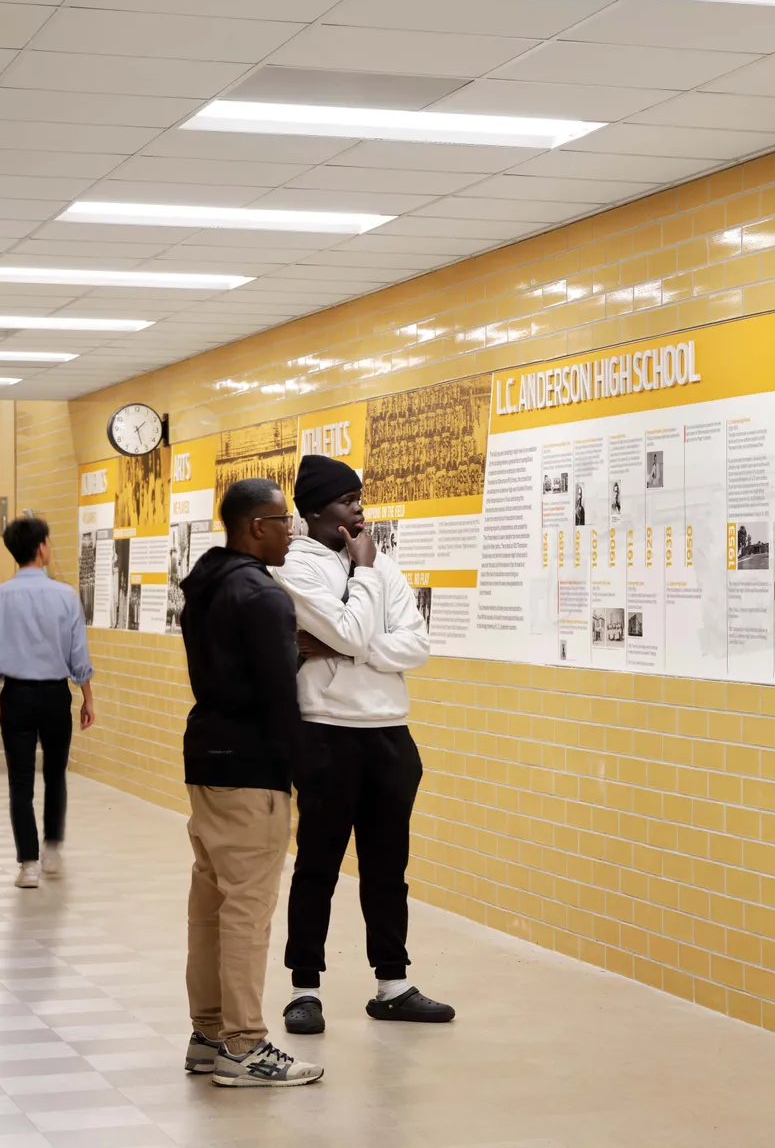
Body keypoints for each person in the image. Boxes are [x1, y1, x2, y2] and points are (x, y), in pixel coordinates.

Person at [273, 454, 454, 1035]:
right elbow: (354, 627)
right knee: (318, 866)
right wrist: (365, 603)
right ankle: (304, 989)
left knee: (387, 866)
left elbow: (418, 644)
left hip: (389, 734)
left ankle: (393, 985)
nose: (360, 508)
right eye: (350, 499)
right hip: (325, 731)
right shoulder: (294, 569)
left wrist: (354, 647)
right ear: (317, 510)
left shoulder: (382, 565)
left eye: (359, 497)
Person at [179, 478, 323, 1089]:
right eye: (283, 520)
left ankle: (208, 1035)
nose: (293, 530)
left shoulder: (206, 587)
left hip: (207, 759)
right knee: (248, 910)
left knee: (211, 904)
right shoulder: (262, 596)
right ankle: (244, 1045)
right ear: (255, 527)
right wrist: (303, 773)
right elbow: (276, 698)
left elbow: (236, 669)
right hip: (250, 769)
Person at [0, 516, 95, 889]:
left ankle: (28, 864)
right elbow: (79, 654)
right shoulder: (65, 595)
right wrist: (87, 698)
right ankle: (53, 848)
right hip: (55, 695)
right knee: (55, 774)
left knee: (20, 782)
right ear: (42, 547)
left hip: (16, 694)